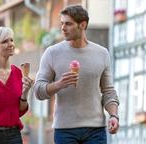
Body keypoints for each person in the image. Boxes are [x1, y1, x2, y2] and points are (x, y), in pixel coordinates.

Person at [33, 5, 119, 144]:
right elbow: (38, 91)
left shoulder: (102, 53)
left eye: (68, 24)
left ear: (82, 25)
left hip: (95, 129)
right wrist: (58, 84)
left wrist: (114, 115)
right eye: (62, 23)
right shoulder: (52, 53)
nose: (63, 28)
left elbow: (108, 91)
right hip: (65, 129)